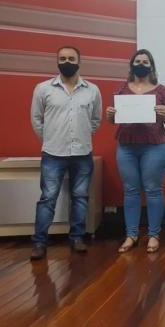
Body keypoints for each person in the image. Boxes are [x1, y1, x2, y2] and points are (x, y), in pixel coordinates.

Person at [29, 45, 102, 260]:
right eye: (63, 58)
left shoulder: (92, 90)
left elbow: (96, 120)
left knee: (80, 198)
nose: (67, 62)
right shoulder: (43, 89)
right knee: (48, 198)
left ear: (79, 61)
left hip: (82, 153)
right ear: (57, 61)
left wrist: (82, 136)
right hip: (53, 154)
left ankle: (77, 238)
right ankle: (40, 242)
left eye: (71, 58)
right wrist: (51, 138)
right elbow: (36, 119)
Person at [105, 49, 165, 254]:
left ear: (151, 66)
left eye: (146, 61)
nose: (142, 64)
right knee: (130, 191)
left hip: (154, 146)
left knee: (153, 190)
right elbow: (112, 120)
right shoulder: (122, 90)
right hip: (126, 147)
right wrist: (110, 114)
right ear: (132, 65)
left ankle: (154, 235)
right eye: (138, 61)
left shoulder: (161, 90)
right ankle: (131, 235)